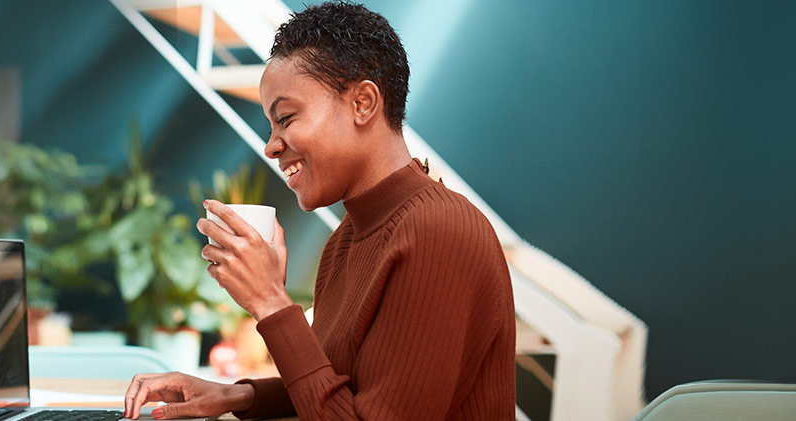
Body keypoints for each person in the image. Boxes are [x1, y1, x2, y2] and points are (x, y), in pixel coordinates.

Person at [123, 2, 515, 419]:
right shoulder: (346, 238)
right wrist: (239, 396)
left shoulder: (438, 231)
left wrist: (271, 303)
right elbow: (345, 391)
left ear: (363, 102)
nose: (271, 146)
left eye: (286, 118)